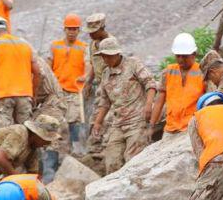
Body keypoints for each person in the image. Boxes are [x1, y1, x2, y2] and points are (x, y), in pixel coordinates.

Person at [90, 37, 157, 174]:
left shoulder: (133, 64)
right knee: (112, 162)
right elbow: (105, 101)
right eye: (104, 56)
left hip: (137, 121)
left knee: (133, 162)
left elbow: (150, 84)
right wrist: (98, 122)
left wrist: (149, 105)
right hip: (118, 123)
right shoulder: (106, 74)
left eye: (109, 56)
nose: (106, 59)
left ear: (117, 54)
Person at [149, 33, 205, 140]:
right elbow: (159, 101)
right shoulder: (169, 72)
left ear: (194, 54)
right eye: (178, 56)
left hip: (192, 127)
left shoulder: (202, 73)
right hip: (171, 128)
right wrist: (152, 126)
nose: (180, 59)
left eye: (184, 56)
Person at [47, 14, 88, 155]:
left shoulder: (83, 47)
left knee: (74, 121)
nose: (72, 32)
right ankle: (57, 153)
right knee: (56, 123)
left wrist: (85, 76)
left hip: (75, 91)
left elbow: (88, 66)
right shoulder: (55, 46)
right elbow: (47, 67)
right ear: (64, 29)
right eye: (69, 28)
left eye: (75, 29)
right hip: (57, 92)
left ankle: (76, 151)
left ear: (79, 30)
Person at [33, 56, 69, 182]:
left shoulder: (34, 62)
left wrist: (32, 100)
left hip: (54, 100)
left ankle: (49, 178)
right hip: (44, 101)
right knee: (37, 135)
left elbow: (39, 77)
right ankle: (40, 174)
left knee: (49, 136)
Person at [82, 13, 113, 157]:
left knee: (105, 117)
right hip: (100, 84)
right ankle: (95, 150)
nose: (90, 35)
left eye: (93, 32)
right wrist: (88, 82)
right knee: (95, 117)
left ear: (102, 28)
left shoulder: (110, 43)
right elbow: (95, 64)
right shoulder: (93, 43)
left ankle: (102, 149)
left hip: (112, 85)